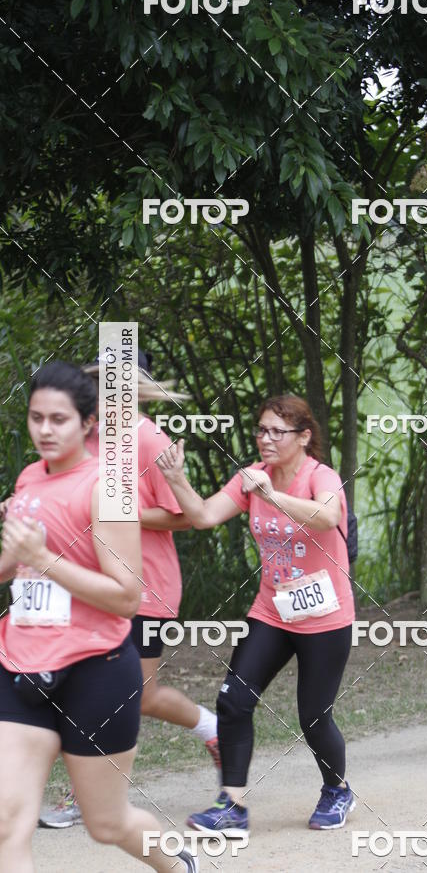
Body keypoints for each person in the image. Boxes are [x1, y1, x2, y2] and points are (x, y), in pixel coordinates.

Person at [0, 361, 197, 871]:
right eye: (36, 417)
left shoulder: (107, 488)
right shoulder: (28, 480)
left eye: (58, 419)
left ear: (87, 423)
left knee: (107, 825)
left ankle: (179, 865)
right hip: (21, 663)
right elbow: (10, 567)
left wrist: (45, 559)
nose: (44, 429)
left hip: (96, 670)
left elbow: (126, 597)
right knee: (6, 824)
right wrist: (19, 548)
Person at [156, 395, 356, 833]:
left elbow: (327, 516)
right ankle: (233, 806)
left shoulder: (319, 476)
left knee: (314, 716)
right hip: (273, 609)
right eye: (261, 430)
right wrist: (175, 478)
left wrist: (274, 495)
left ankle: (337, 790)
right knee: (233, 701)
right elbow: (205, 515)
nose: (266, 439)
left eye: (277, 432)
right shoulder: (252, 477)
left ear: (304, 437)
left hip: (324, 615)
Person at [39, 351, 220, 829]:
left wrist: (118, 513)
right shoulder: (85, 435)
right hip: (90, 580)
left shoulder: (146, 436)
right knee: (85, 686)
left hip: (143, 585)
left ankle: (212, 729)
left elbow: (189, 515)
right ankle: (86, 791)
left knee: (136, 696)